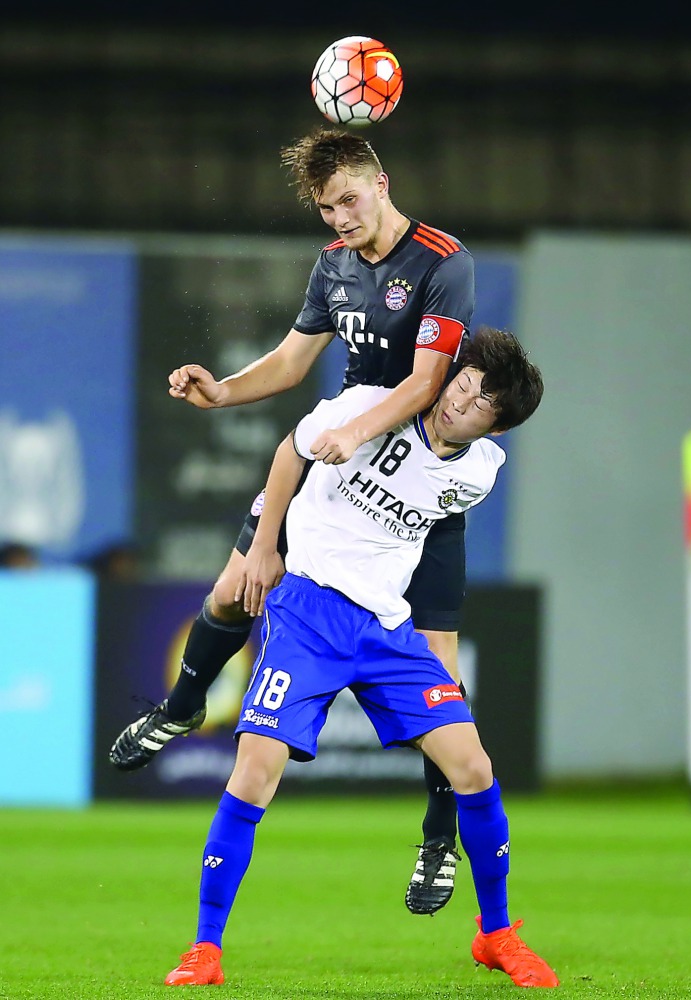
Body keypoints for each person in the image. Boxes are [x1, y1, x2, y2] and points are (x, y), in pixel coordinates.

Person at [110, 125, 476, 914]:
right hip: (338, 472)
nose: (339, 218)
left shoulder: (443, 261)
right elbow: (290, 360)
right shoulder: (333, 266)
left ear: (381, 183)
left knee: (443, 679)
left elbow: (426, 382)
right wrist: (223, 389)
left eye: (348, 199)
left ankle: (437, 844)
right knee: (232, 590)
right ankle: (180, 708)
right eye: (325, 208)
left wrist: (353, 430)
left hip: (416, 484)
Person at [162, 328, 558, 989]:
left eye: (485, 399)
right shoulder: (368, 404)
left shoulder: (479, 472)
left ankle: (495, 935)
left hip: (384, 629)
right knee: (254, 772)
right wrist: (264, 549)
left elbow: (424, 517)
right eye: (465, 379)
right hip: (308, 613)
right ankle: (205, 949)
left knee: (473, 765)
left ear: (499, 424)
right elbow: (290, 454)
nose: (464, 397)